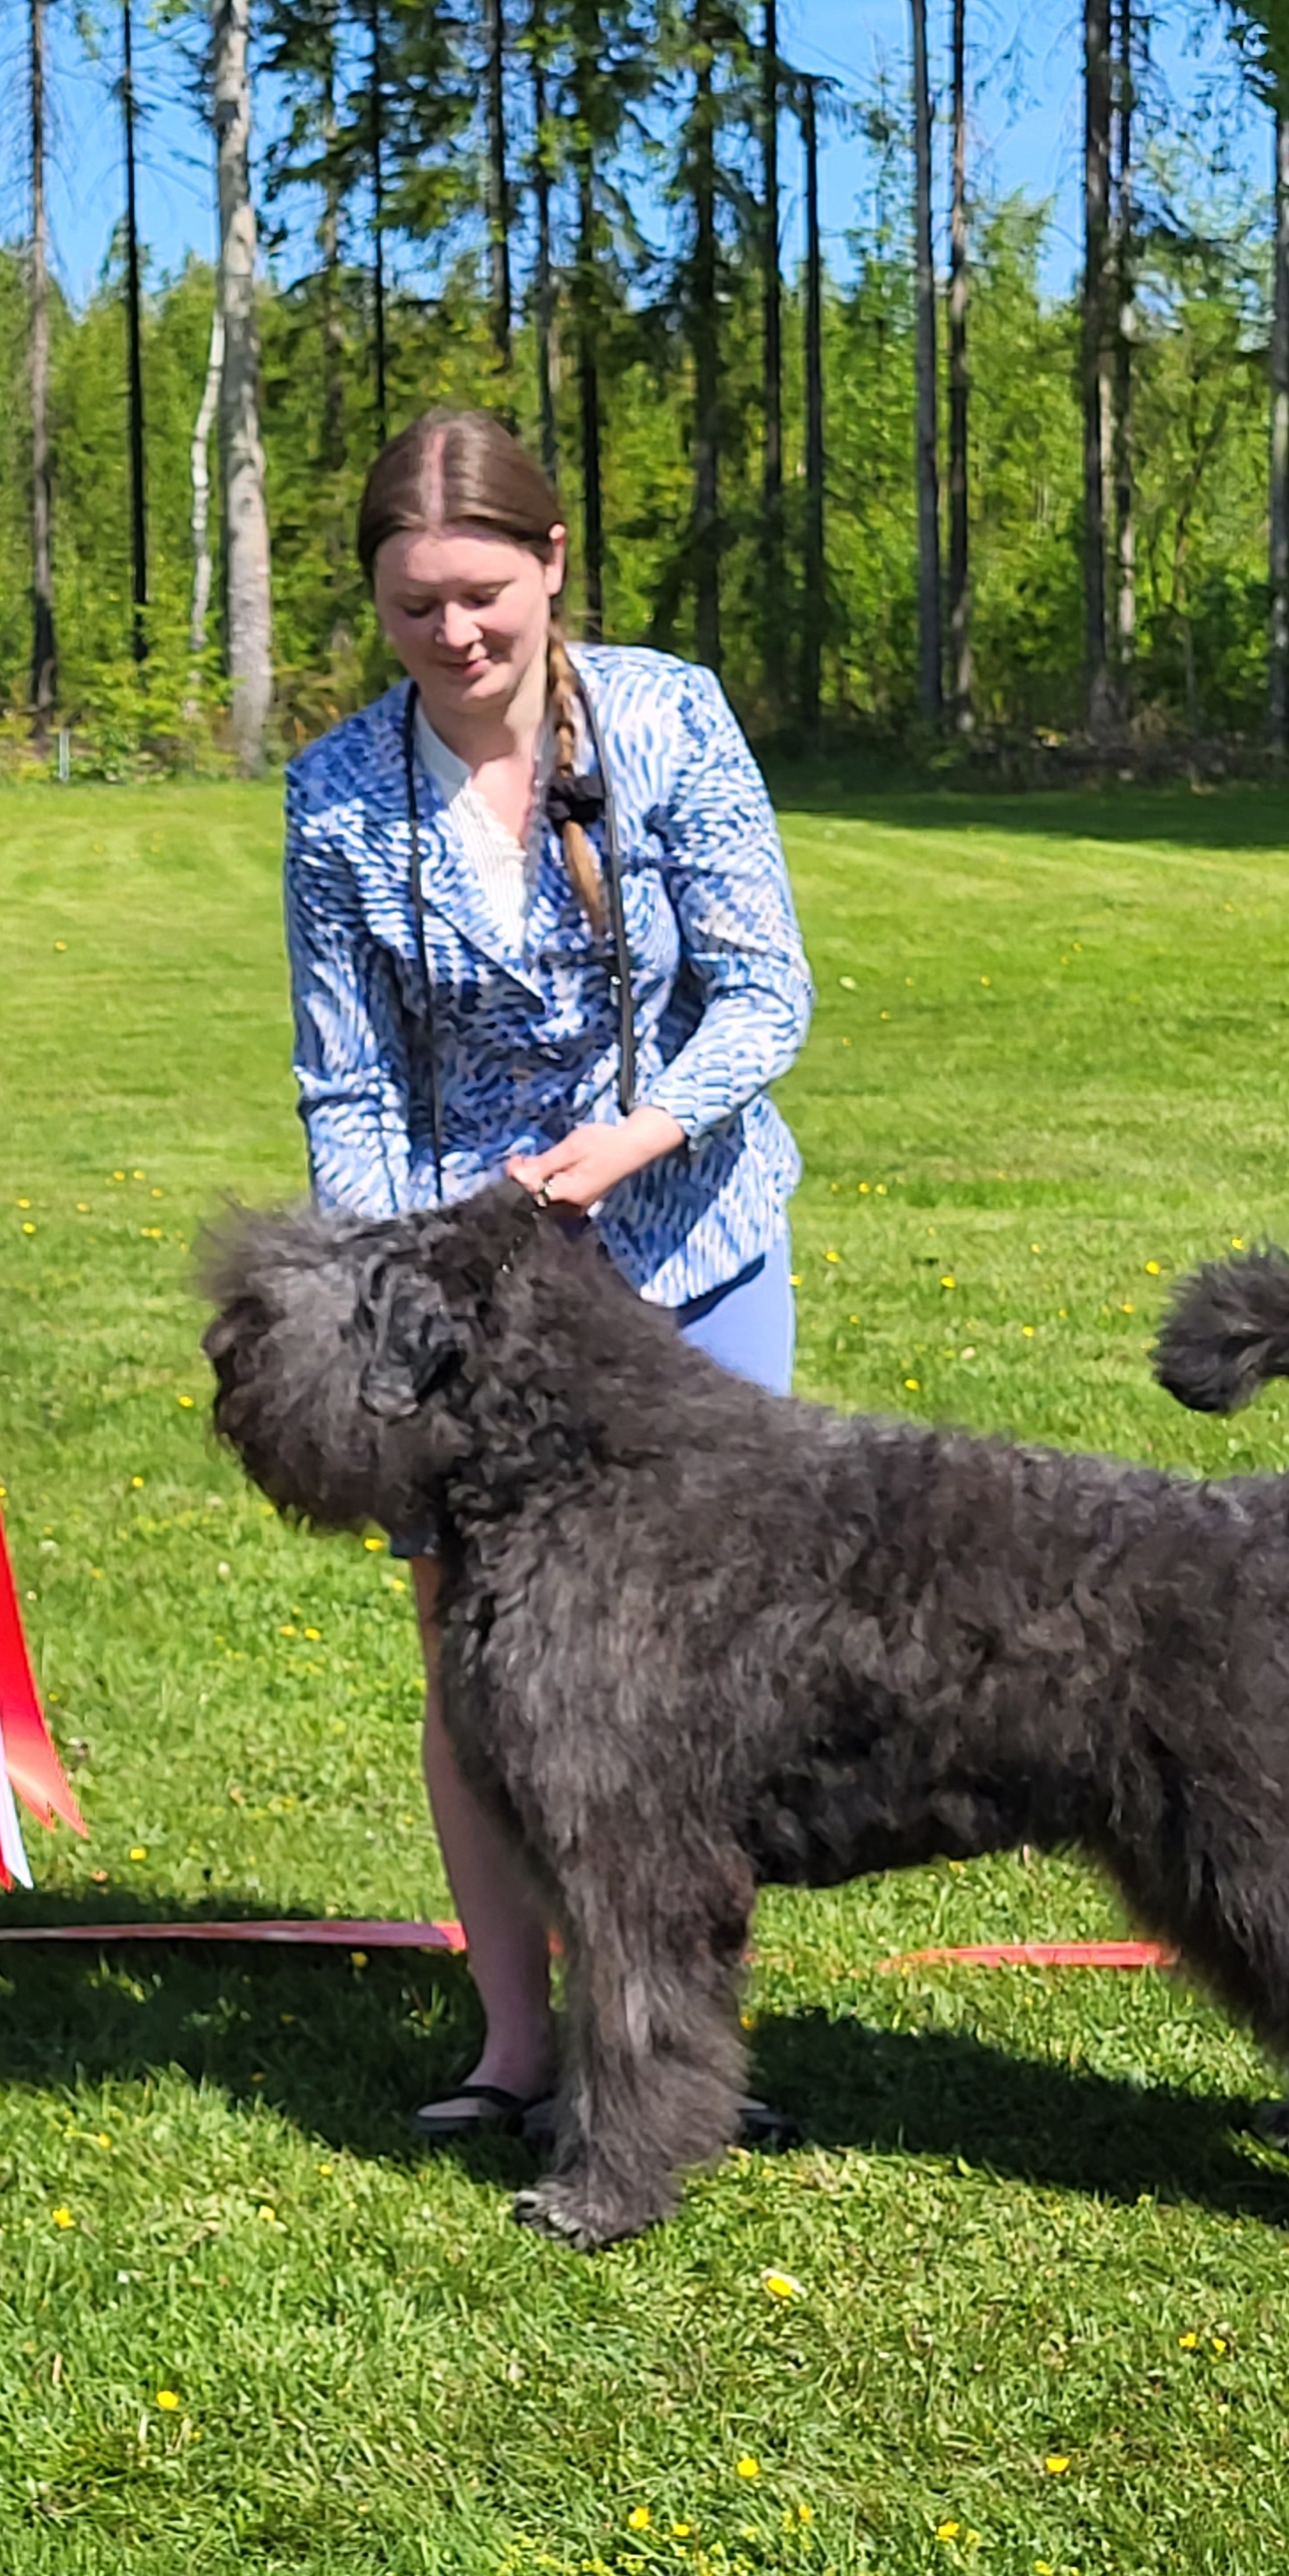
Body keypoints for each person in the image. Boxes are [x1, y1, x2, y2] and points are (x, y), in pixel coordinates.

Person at [286, 406, 813, 2142]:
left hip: (689, 1249)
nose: (455, 636)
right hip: (470, 1312)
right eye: (415, 604)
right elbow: (348, 1084)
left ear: (553, 565)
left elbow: (764, 991)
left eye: (485, 595)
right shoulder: (337, 794)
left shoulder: (668, 718)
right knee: (483, 1666)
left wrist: (638, 1136)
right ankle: (516, 2042)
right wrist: (402, 1281)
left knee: (706, 1666)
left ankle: (660, 2052)